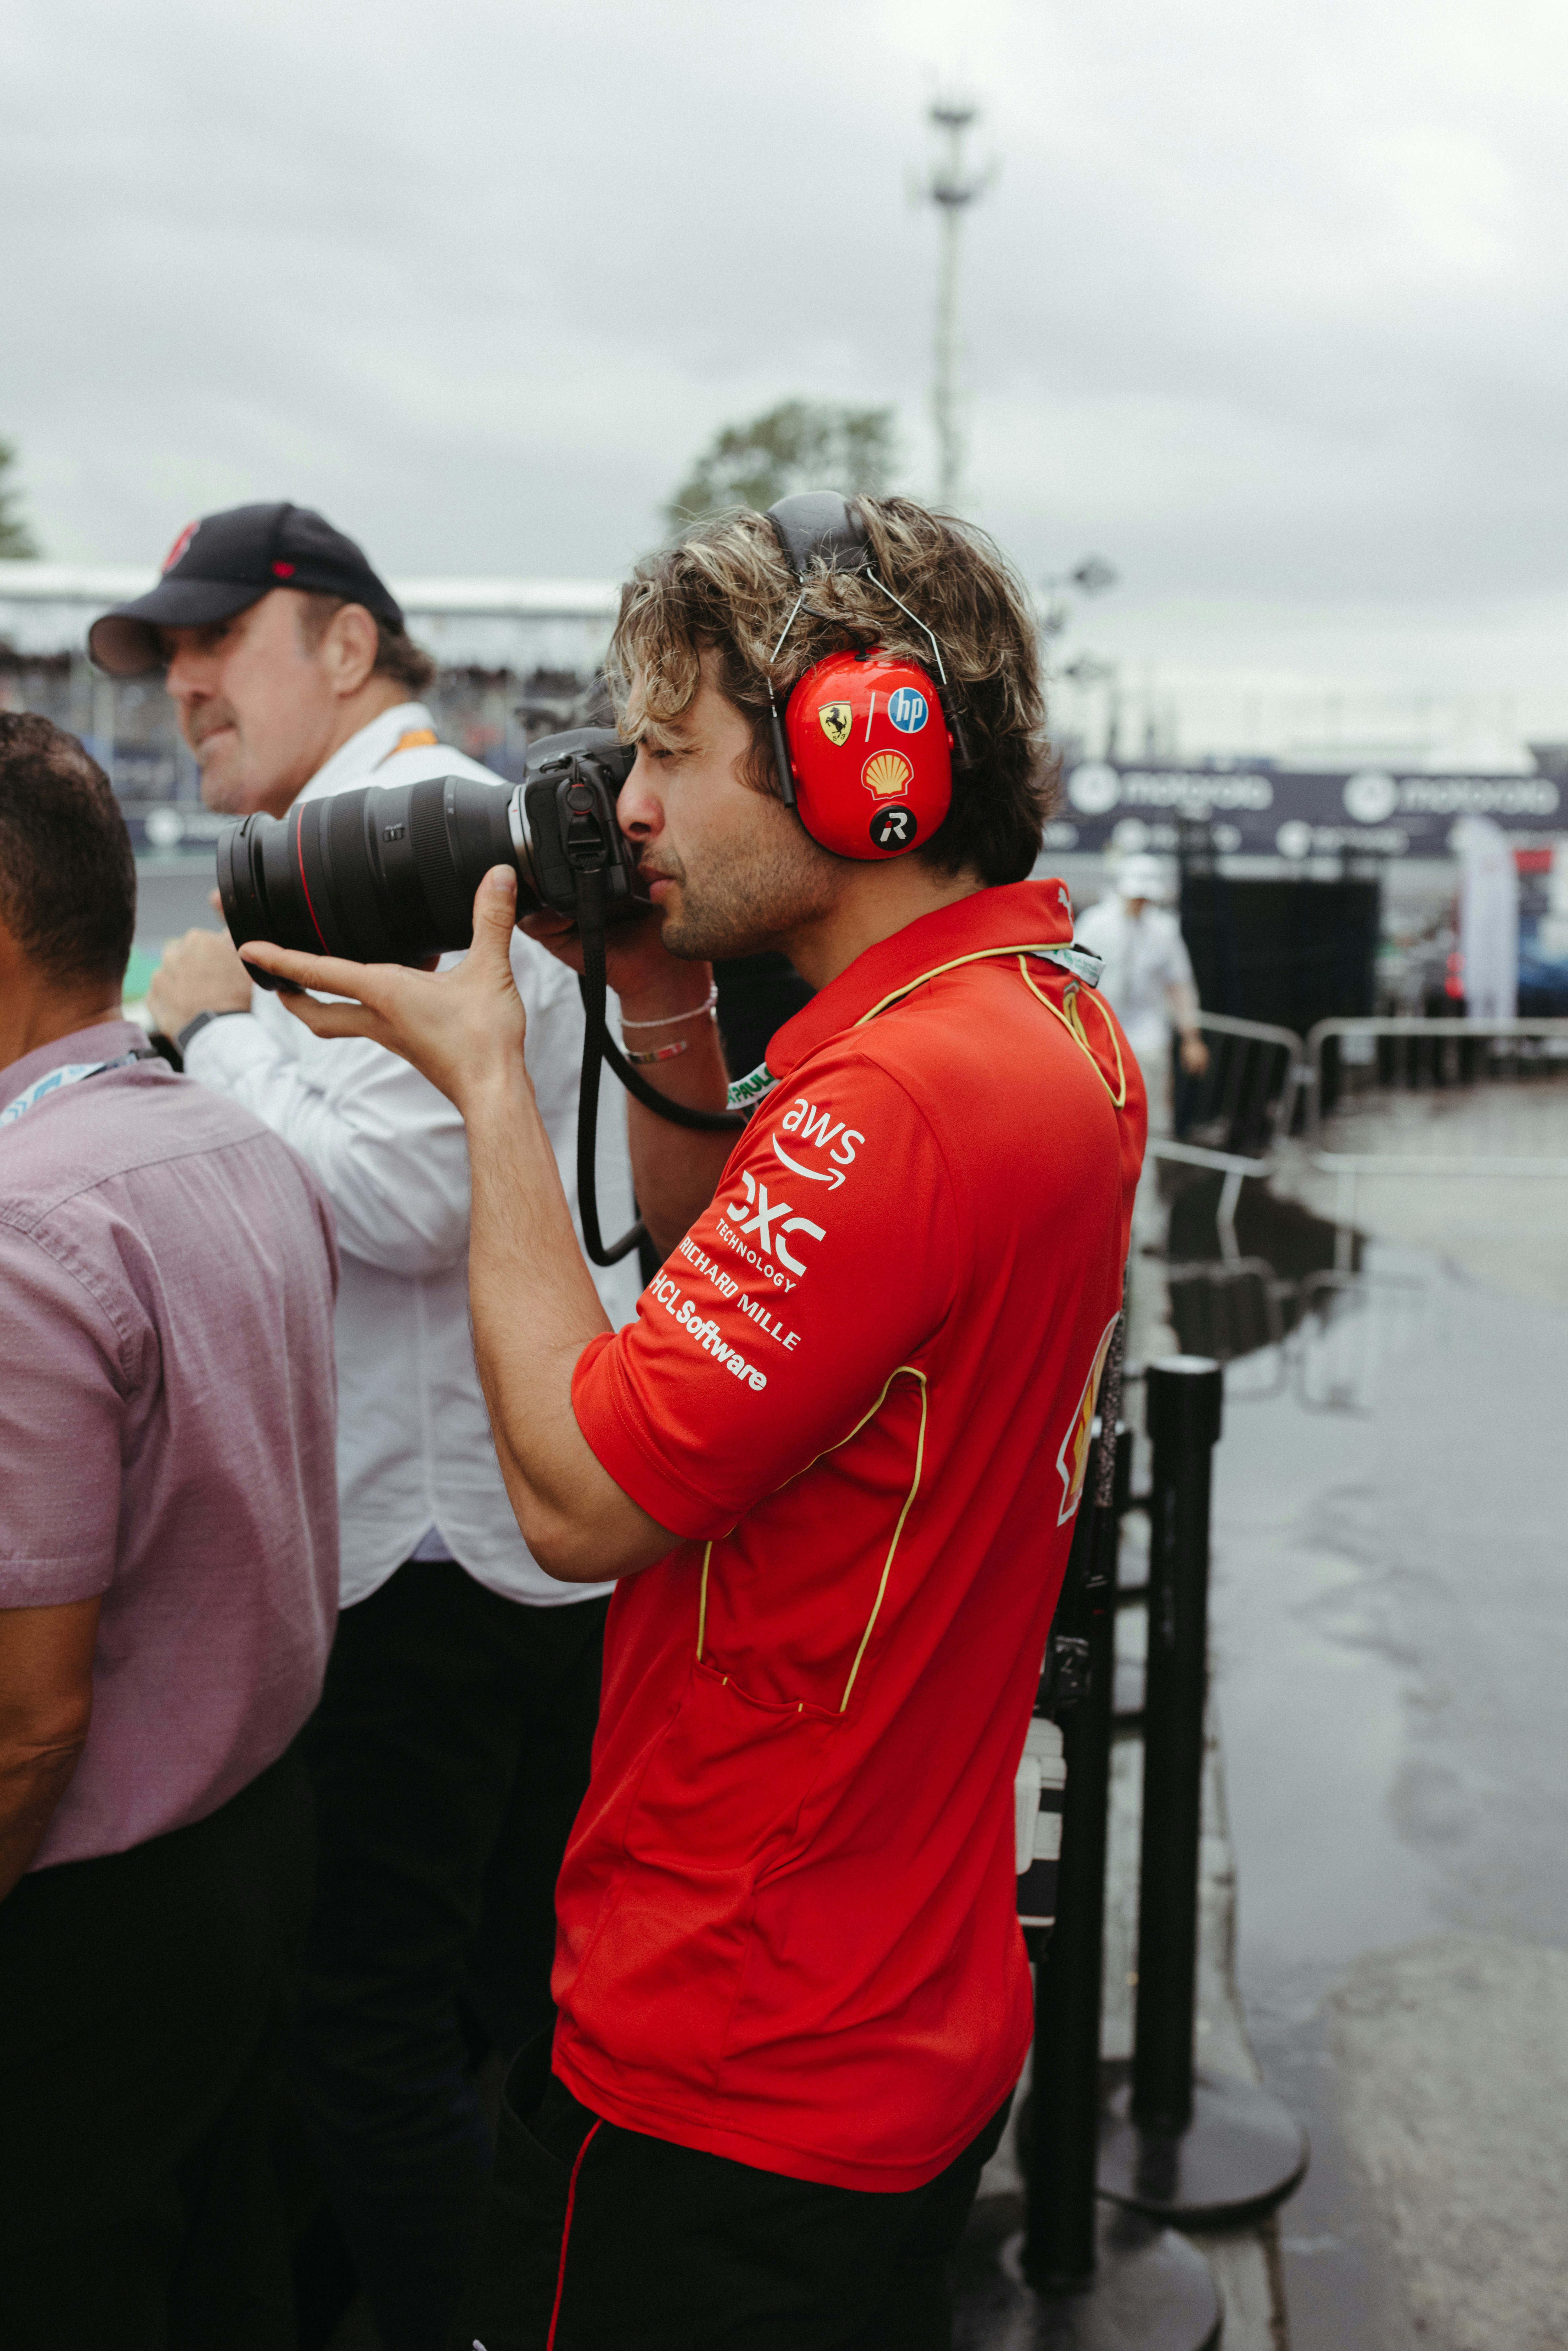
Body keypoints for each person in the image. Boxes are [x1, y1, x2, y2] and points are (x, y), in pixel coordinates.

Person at [242, 492, 1146, 2351]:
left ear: (856, 754)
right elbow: (744, 1295)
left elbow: (579, 1497)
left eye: (669, 751)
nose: (625, 804)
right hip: (898, 1993)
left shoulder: (888, 1105)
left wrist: (493, 1078)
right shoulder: (1045, 1025)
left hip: (735, 2046)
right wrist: (660, 1004)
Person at [91, 502, 639, 2351]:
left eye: (214, 639)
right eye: (162, 654)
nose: (179, 683)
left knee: (375, 2030)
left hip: (442, 1554)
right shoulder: (345, 844)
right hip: (460, 1532)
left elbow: (402, 1196)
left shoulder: (443, 843)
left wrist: (201, 1033)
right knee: (472, 2010)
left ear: (345, 644)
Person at [0, 714, 339, 2351]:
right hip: (252, 1838)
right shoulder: (224, 1131)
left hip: (89, 1919)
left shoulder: (25, 1222)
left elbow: (25, 1725)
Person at [1073, 852, 1207, 1355]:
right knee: (1095, 1133)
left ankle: (1142, 1225)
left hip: (1145, 1042)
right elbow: (1076, 980)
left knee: (1145, 1135)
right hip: (1100, 1038)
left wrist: (1191, 1035)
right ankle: (1096, 1221)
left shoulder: (1164, 932)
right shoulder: (1096, 923)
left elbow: (1178, 985)